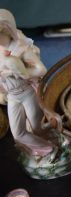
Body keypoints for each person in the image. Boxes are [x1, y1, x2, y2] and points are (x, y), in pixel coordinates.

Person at [0, 9, 55, 156]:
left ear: (4, 28)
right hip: (12, 96)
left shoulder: (21, 47)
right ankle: (47, 148)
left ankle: (54, 142)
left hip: (27, 92)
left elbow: (41, 70)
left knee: (37, 127)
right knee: (18, 133)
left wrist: (14, 73)